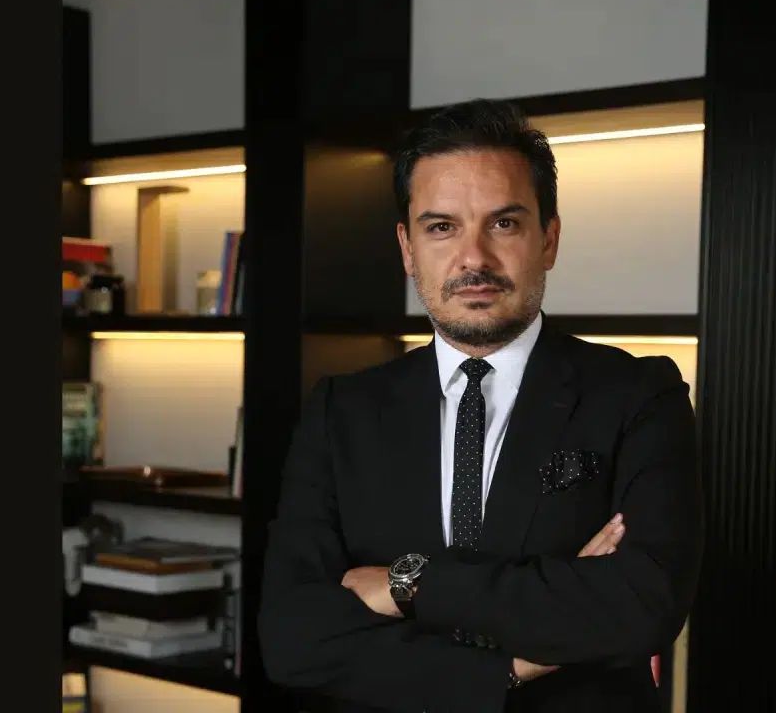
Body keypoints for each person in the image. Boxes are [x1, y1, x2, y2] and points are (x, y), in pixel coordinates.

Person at [259, 98, 701, 712]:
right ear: (407, 249)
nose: (474, 259)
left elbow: (643, 607)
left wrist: (407, 585)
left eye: (504, 224)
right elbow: (292, 638)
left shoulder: (639, 394)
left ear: (549, 239)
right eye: (441, 227)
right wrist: (511, 667)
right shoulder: (342, 411)